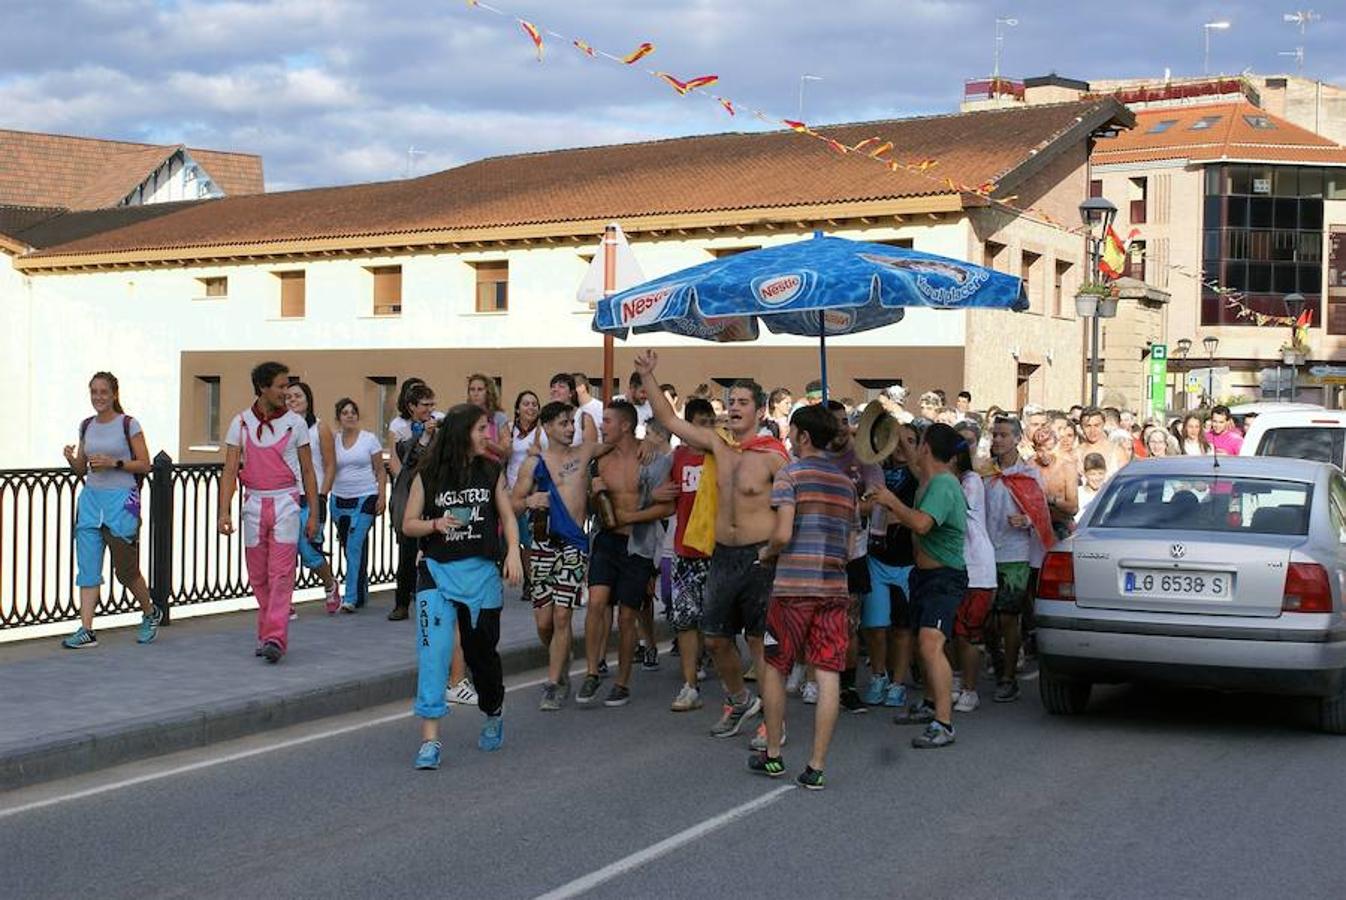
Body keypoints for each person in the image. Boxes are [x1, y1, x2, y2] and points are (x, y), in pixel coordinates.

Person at [635, 350, 789, 739]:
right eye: (731, 402)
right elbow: (669, 420)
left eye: (743, 403)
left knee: (758, 644)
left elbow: (793, 509)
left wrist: (776, 549)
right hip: (721, 555)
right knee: (717, 638)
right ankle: (740, 701)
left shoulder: (773, 456)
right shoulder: (719, 446)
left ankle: (774, 725)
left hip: (759, 558)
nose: (734, 408)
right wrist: (648, 376)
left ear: (759, 410)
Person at [403, 403, 522, 769]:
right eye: (481, 428)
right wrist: (435, 524)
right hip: (436, 572)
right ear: (461, 432)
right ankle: (430, 742)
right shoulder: (429, 474)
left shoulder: (491, 470)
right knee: (433, 652)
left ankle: (493, 709)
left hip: (481, 575)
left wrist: (514, 552)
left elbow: (506, 515)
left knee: (481, 654)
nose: (488, 434)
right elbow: (408, 524)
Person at [750, 405, 855, 789]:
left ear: (804, 436)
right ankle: (816, 765)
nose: (790, 439)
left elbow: (782, 533)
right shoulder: (846, 483)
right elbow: (848, 542)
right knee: (828, 673)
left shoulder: (790, 474)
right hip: (833, 588)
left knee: (776, 666)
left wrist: (765, 554)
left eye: (792, 433)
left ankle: (774, 753)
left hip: (793, 588)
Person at [872, 423, 968, 749]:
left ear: (927, 447)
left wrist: (890, 501)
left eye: (918, 444)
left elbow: (922, 524)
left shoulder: (942, 484)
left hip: (944, 577)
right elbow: (915, 462)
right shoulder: (928, 476)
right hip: (925, 576)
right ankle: (930, 704)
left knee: (930, 644)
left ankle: (944, 724)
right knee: (922, 644)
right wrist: (895, 430)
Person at [218, 361, 320, 663]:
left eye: (287, 386)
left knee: (281, 573)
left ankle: (276, 635)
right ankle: (266, 633)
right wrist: (223, 511)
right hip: (253, 505)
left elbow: (308, 471)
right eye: (280, 386)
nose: (286, 392)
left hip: (286, 504)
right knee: (258, 575)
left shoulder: (296, 424)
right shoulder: (241, 423)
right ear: (263, 388)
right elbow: (228, 471)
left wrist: (314, 513)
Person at [575, 400, 673, 707]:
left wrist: (630, 517)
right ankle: (592, 672)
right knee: (597, 603)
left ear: (626, 425)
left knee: (628, 615)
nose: (602, 425)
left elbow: (667, 506)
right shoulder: (601, 458)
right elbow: (591, 506)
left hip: (639, 543)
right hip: (607, 540)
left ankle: (622, 681)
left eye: (607, 421)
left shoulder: (651, 457)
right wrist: (593, 493)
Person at [511, 401, 607, 710]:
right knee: (544, 621)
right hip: (542, 544)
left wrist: (645, 443)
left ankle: (554, 682)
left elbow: (619, 442)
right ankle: (560, 654)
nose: (570, 429)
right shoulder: (533, 464)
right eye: (564, 424)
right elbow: (512, 503)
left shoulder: (584, 453)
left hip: (574, 544)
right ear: (548, 427)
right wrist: (529, 501)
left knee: (563, 614)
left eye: (573, 424)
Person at [61, 371, 161, 648]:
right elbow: (83, 468)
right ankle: (86, 629)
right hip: (91, 501)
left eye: (104, 392)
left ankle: (150, 612)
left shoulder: (129, 424)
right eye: (94, 392)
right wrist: (71, 459)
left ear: (114, 394)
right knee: (88, 568)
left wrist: (114, 462)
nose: (98, 397)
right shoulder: (86, 426)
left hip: (122, 503)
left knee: (126, 570)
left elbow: (145, 464)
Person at [654, 398, 717, 712]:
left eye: (711, 421)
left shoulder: (722, 455)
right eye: (700, 421)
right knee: (685, 620)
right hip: (684, 551)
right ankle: (690, 684)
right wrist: (656, 495)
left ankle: (736, 682)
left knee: (717, 623)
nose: (707, 427)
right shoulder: (676, 457)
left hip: (719, 552)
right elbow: (665, 498)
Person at [983, 417, 1051, 702]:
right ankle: (998, 665)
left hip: (1015, 556)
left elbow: (1042, 516)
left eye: (1003, 435)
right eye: (994, 435)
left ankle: (1009, 678)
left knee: (1008, 618)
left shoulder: (1029, 475)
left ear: (1017, 439)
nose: (997, 440)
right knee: (986, 620)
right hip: (984, 555)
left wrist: (1026, 519)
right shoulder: (983, 473)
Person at [824, 400, 884, 716]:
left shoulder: (865, 458)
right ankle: (818, 679)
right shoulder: (813, 458)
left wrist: (838, 505)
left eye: (844, 419)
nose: (840, 426)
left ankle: (847, 686)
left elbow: (875, 500)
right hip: (818, 554)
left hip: (853, 554)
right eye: (833, 421)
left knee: (849, 625)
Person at [861, 421, 920, 709]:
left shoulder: (921, 474)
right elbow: (859, 505)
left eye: (908, 440)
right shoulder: (875, 472)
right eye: (895, 440)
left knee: (903, 627)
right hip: (877, 556)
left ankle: (898, 683)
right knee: (875, 626)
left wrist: (895, 511)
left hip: (909, 560)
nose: (900, 445)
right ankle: (877, 676)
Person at [286, 382, 340, 614]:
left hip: (311, 497)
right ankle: (284, 601)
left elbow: (329, 465)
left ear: (308, 399)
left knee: (309, 551)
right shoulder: (282, 428)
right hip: (287, 496)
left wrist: (322, 496)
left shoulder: (319, 428)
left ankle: (330, 584)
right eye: (288, 397)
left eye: (297, 396)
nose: (292, 401)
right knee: (285, 551)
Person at [951, 434, 996, 712]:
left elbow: (953, 509)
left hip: (977, 568)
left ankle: (970, 689)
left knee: (968, 632)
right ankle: (955, 679)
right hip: (952, 566)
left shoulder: (971, 481)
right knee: (951, 632)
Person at [329, 398, 386, 612]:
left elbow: (380, 469)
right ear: (339, 418)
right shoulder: (333, 441)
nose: (350, 416)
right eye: (345, 413)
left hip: (365, 496)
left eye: (353, 412)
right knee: (349, 547)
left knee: (354, 545)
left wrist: (381, 496)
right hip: (339, 499)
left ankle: (351, 597)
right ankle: (361, 588)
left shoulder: (369, 439)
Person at [387, 382, 438, 621]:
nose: (430, 410)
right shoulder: (402, 429)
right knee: (407, 552)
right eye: (425, 405)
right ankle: (401, 602)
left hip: (434, 495)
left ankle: (431, 596)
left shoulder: (439, 424)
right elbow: (408, 460)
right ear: (411, 407)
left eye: (432, 404)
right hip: (409, 496)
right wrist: (424, 435)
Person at [1030, 426, 1079, 540]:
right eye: (1040, 450)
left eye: (1049, 449)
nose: (1045, 455)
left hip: (1061, 524)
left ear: (1056, 447)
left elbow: (1073, 507)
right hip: (1035, 525)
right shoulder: (1030, 466)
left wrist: (1051, 500)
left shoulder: (1067, 467)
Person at [467, 374, 511, 463]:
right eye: (472, 389)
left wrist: (485, 441)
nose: (475, 393)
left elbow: (506, 451)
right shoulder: (464, 415)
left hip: (493, 469)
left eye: (480, 389)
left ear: (488, 392)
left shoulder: (499, 417)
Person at [1077, 407, 1128, 477]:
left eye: (1096, 425)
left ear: (1103, 424)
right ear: (1082, 427)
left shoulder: (1117, 451)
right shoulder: (1076, 454)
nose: (1093, 430)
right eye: (1088, 426)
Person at [554, 373, 600, 445]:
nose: (555, 390)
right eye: (553, 387)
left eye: (561, 386)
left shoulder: (585, 415)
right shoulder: (548, 415)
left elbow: (590, 448)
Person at [1076, 453, 1109, 522]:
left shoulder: (1110, 493)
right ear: (1085, 474)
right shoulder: (1078, 494)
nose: (1097, 478)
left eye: (1100, 473)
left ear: (1106, 472)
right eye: (1092, 474)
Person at [573, 373, 605, 442]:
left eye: (572, 388)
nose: (570, 392)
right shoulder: (574, 411)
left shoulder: (600, 407)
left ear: (582, 387)